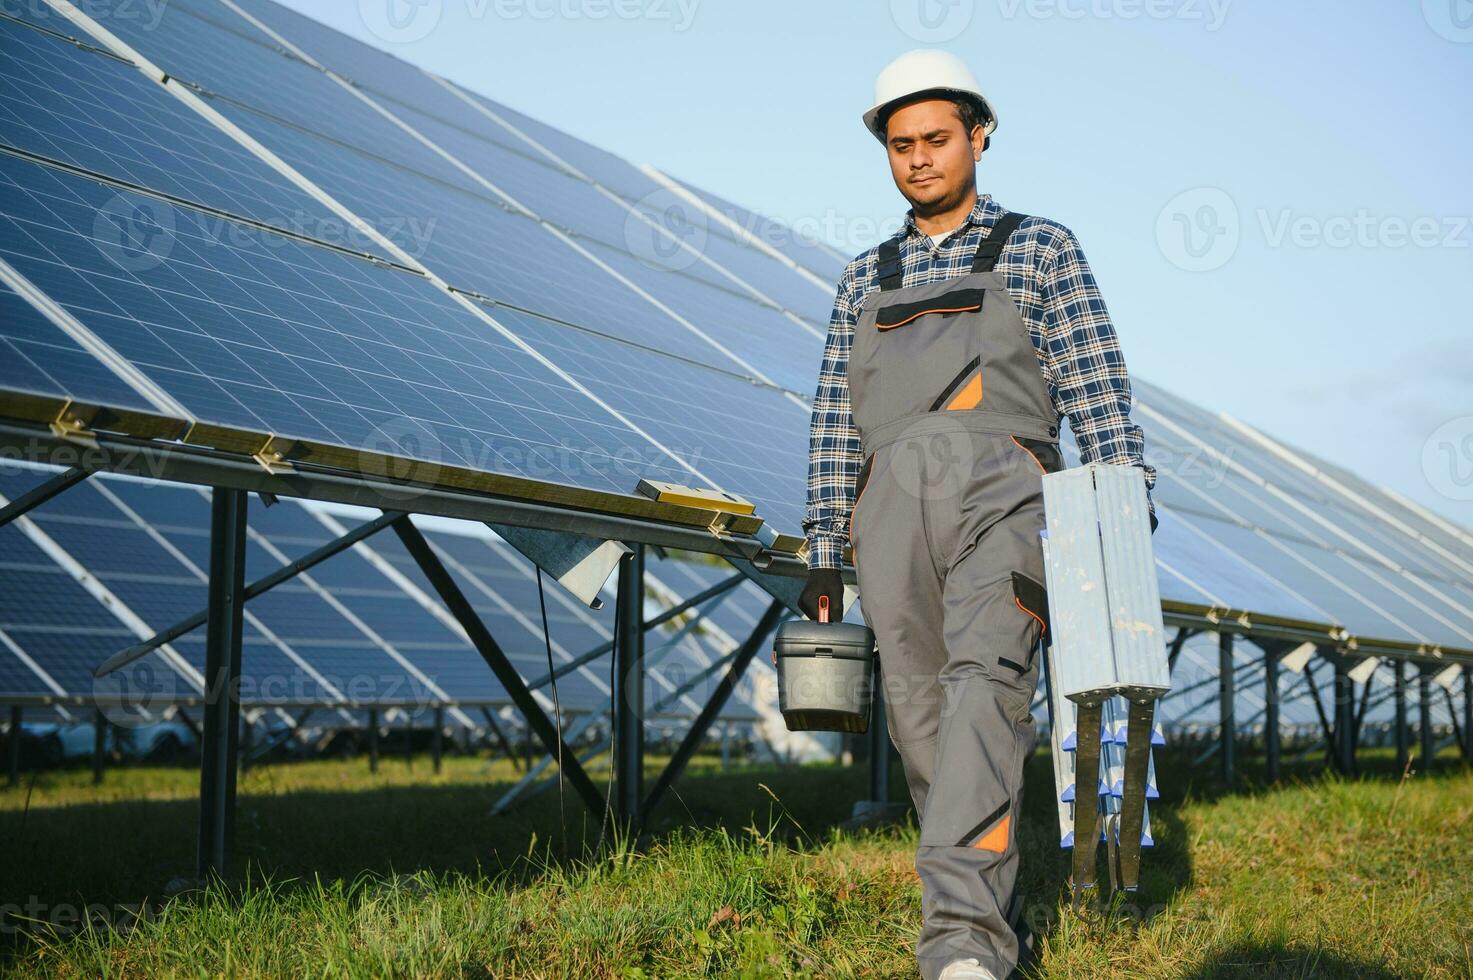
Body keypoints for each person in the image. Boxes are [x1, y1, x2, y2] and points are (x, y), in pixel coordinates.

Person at [799, 49, 1158, 980]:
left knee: (983, 692)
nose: (918, 158)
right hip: (886, 512)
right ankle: (992, 911)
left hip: (1008, 495)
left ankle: (961, 950)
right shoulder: (860, 278)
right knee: (920, 719)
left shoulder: (1040, 248)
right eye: (900, 143)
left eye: (937, 139)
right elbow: (836, 422)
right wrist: (823, 547)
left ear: (979, 137)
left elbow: (1098, 391)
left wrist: (1121, 506)